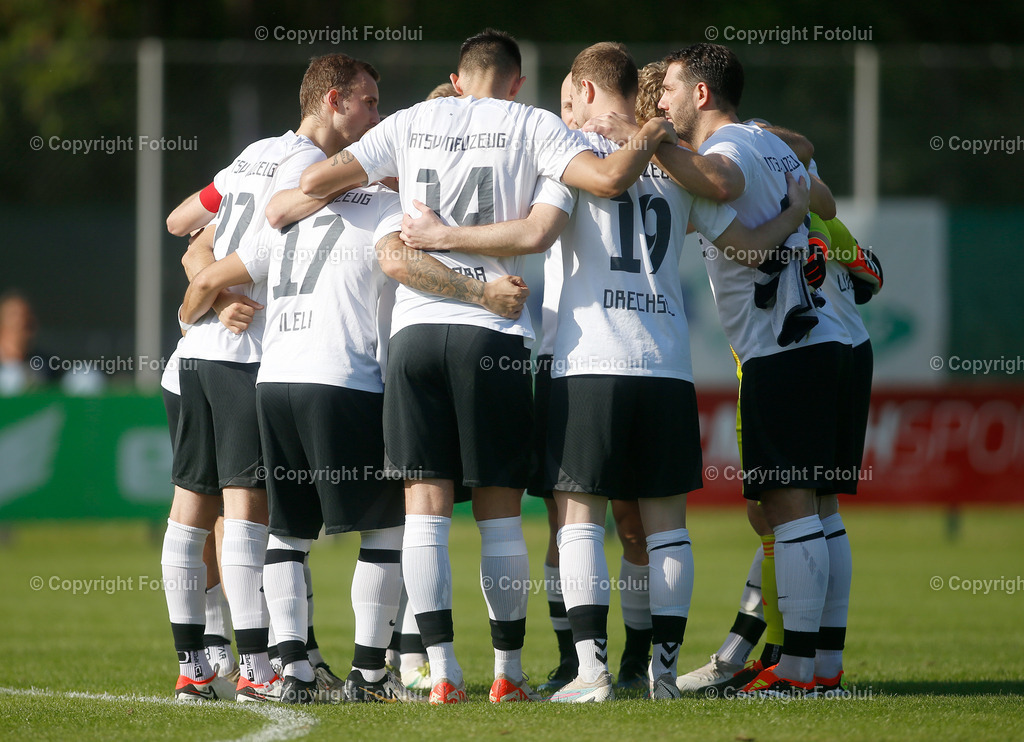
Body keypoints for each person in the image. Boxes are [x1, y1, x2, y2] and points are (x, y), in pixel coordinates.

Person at [399, 42, 809, 703]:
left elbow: (531, 232)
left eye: (568, 98)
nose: (561, 112)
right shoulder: (675, 165)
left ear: (588, 92)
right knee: (667, 527)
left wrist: (441, 235)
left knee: (578, 522)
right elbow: (751, 247)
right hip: (666, 366)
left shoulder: (570, 155)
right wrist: (795, 211)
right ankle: (662, 675)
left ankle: (589, 673)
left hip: (586, 361)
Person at [297, 28, 675, 706]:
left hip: (414, 333)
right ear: (516, 83)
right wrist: (653, 131)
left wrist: (395, 181)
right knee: (500, 517)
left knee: (425, 513)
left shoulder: (409, 122)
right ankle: (508, 671)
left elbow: (316, 181)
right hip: (493, 332)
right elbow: (593, 188)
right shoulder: (534, 125)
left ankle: (441, 672)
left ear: (457, 77)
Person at [162, 52, 383, 703]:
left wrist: (207, 291)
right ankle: (260, 668)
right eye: (369, 102)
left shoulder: (255, 153)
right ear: (333, 101)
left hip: (194, 358)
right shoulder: (307, 167)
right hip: (249, 355)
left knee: (190, 515)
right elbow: (249, 250)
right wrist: (215, 289)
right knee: (250, 516)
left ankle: (196, 666)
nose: (377, 116)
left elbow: (183, 225)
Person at [655, 43, 855, 696]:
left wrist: (651, 142)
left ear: (701, 94)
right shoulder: (768, 143)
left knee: (788, 510)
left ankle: (795, 670)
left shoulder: (729, 150)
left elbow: (720, 182)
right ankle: (822, 665)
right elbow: (814, 179)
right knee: (818, 510)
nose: (663, 102)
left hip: (783, 348)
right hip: (825, 339)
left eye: (670, 89)